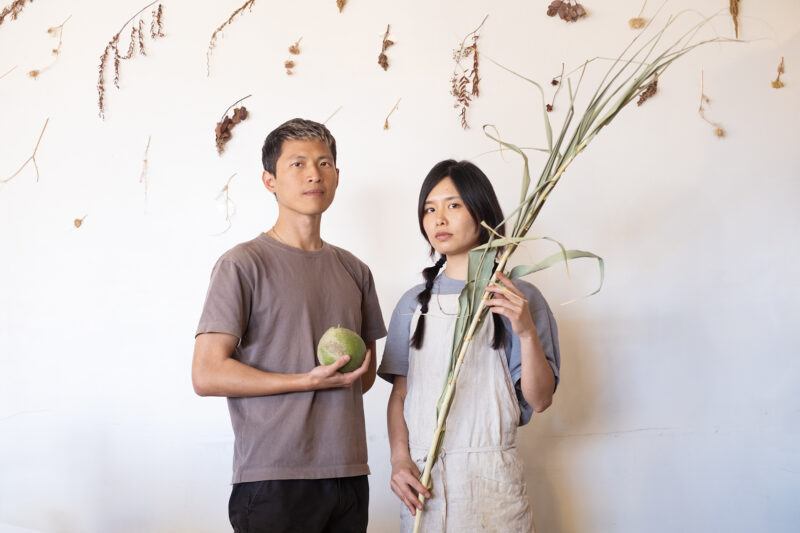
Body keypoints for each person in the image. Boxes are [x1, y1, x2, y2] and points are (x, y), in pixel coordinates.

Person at [192, 118, 387, 533]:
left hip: (349, 473)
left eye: (324, 163)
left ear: (336, 176)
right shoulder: (242, 264)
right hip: (273, 478)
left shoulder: (356, 271)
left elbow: (363, 378)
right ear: (270, 181)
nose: (314, 173)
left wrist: (342, 373)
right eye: (297, 164)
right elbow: (206, 373)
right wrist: (305, 381)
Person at [378, 159, 561, 532]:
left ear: (482, 213)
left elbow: (540, 400)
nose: (439, 219)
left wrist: (525, 330)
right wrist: (399, 460)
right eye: (429, 209)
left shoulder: (519, 297)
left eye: (453, 205)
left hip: (492, 488)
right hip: (423, 488)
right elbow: (401, 395)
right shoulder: (414, 304)